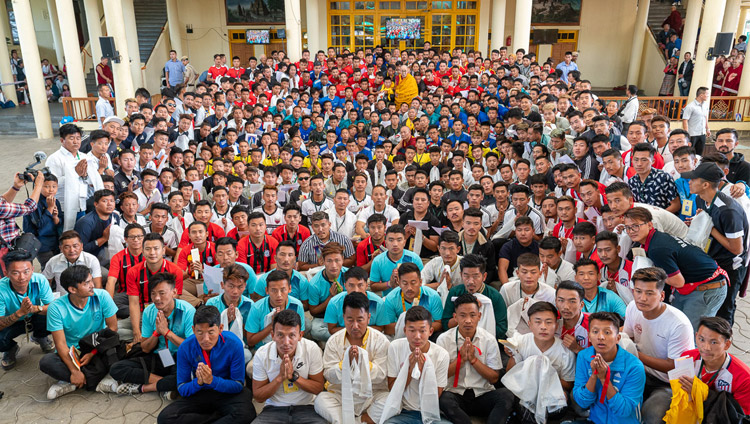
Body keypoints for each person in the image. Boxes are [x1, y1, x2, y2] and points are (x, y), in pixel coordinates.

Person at [623, 207, 728, 329]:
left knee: (691, 335)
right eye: (628, 227)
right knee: (674, 326)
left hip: (708, 288)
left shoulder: (657, 248)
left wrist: (652, 273)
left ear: (650, 224)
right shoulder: (655, 238)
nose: (631, 231)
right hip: (693, 285)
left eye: (636, 226)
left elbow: (678, 281)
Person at [157, 305, 256, 424]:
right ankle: (218, 417)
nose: (206, 339)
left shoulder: (234, 344)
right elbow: (182, 388)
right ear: (193, 330)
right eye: (199, 332)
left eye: (211, 332)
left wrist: (212, 380)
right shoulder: (186, 347)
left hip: (226, 392)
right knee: (165, 418)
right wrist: (199, 382)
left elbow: (238, 385)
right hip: (201, 392)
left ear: (220, 328)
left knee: (247, 413)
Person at [623, 267, 695, 424]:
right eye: (638, 291)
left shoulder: (678, 324)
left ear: (662, 295)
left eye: (649, 293)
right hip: (638, 372)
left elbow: (674, 366)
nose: (642, 298)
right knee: (614, 403)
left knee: (652, 415)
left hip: (667, 382)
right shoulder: (632, 307)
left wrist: (635, 354)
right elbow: (627, 336)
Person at [107, 272, 195, 397]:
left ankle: (144, 387)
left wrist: (167, 332)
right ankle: (166, 385)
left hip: (180, 357)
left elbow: (191, 347)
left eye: (162, 293)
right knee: (116, 369)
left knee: (189, 376)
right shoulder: (149, 311)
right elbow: (145, 347)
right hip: (159, 356)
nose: (157, 298)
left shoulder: (188, 311)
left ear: (174, 292)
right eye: (153, 294)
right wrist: (157, 333)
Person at [683, 162, 748, 325]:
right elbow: (708, 221)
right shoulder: (701, 199)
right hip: (713, 260)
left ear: (705, 184)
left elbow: (736, 248)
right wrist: (700, 221)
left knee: (724, 310)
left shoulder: (728, 210)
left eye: (693, 179)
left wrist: (710, 228)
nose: (689, 182)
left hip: (730, 266)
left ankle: (723, 344)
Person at [40, 265, 118, 399]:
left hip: (97, 346)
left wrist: (93, 352)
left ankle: (74, 382)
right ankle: (90, 379)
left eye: (91, 280)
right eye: (87, 283)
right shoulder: (56, 308)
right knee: (46, 362)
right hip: (73, 353)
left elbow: (112, 329)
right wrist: (74, 370)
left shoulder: (102, 296)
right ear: (72, 289)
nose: (92, 285)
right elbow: (60, 344)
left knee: (116, 346)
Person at [315, 292, 391, 424]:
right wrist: (346, 363)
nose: (355, 326)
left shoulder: (381, 340)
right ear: (343, 318)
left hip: (371, 395)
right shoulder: (334, 340)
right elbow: (328, 375)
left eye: (360, 320)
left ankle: (358, 420)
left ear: (368, 318)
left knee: (390, 400)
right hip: (342, 394)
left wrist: (362, 363)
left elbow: (382, 375)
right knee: (321, 400)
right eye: (350, 320)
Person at [498, 301, 576, 423]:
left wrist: (544, 378)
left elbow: (568, 383)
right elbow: (510, 373)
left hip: (552, 390)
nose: (543, 327)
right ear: (530, 324)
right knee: (521, 404)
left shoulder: (565, 351)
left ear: (556, 325)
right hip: (525, 388)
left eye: (549, 322)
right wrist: (514, 354)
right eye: (538, 322)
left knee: (560, 405)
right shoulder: (521, 342)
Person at [437, 293, 507, 424]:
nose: (468, 320)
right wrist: (461, 360)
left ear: (479, 316)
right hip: (455, 395)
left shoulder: (489, 339)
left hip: (482, 394)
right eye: (462, 315)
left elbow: (494, 378)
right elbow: (440, 376)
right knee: (443, 399)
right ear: (455, 317)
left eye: (472, 315)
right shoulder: (444, 339)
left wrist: (474, 360)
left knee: (506, 396)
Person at [252, 309, 327, 424]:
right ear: (273, 335)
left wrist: (294, 377)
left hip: (307, 407)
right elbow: (258, 397)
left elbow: (318, 388)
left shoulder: (311, 349)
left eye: (292, 335)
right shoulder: (262, 354)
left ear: (300, 335)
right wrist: (280, 378)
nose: (286, 342)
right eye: (280, 335)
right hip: (273, 409)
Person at [572, 312, 646, 424]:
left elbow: (624, 410)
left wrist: (604, 379)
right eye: (595, 332)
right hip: (596, 421)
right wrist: (594, 376)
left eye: (607, 332)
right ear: (589, 337)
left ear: (618, 338)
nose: (600, 337)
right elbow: (582, 402)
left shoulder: (634, 367)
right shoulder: (584, 357)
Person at [381, 306, 451, 424]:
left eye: (422, 331)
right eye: (412, 330)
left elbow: (436, 395)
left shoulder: (441, 354)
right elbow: (392, 388)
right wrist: (409, 370)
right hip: (404, 412)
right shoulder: (395, 347)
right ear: (405, 330)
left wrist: (425, 371)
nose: (417, 336)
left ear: (430, 331)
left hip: (430, 412)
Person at [680, 316, 750, 414]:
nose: (706, 347)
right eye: (701, 339)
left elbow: (741, 417)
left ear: (727, 345)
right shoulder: (686, 357)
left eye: (714, 342)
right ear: (696, 336)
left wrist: (704, 394)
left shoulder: (744, 378)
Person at [0, 250, 55, 370]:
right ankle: (10, 348)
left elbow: (53, 308)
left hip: (35, 315)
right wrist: (20, 312)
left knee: (55, 317)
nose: (22, 277)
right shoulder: (1, 289)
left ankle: (40, 336)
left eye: (26, 271)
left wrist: (35, 308)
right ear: (6, 273)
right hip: (14, 321)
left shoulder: (39, 280)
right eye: (15, 273)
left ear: (32, 270)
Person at [126, 233, 184, 342]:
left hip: (167, 313)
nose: (152, 253)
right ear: (142, 251)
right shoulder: (133, 272)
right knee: (117, 330)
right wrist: (136, 332)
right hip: (144, 313)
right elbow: (133, 303)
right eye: (148, 249)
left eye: (156, 248)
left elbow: (176, 301)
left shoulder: (175, 271)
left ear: (163, 251)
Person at [45, 123, 103, 231]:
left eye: (78, 138)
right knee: (65, 235)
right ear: (62, 140)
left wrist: (85, 175)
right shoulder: (54, 159)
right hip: (62, 206)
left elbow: (91, 181)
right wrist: (75, 174)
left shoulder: (84, 157)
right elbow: (51, 185)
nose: (76, 141)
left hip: (81, 203)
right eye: (71, 138)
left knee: (79, 234)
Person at [441, 254, 508, 339]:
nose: (471, 281)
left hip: (486, 340)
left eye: (476, 276)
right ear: (461, 275)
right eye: (466, 276)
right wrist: (463, 314)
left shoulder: (495, 296)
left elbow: (501, 328)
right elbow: (446, 324)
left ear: (484, 276)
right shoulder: (455, 292)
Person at [0, 167, 45, 275]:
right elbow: (30, 207)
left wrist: (15, 187)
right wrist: (38, 185)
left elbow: (3, 201)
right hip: (6, 255)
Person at [245, 269, 306, 349]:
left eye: (283, 289)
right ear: (267, 290)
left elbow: (300, 333)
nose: (279, 295)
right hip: (263, 350)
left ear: (289, 289)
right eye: (274, 290)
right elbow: (250, 341)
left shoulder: (297, 305)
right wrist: (272, 324)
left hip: (290, 348)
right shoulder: (257, 308)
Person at [383, 262, 443, 337]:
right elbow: (387, 328)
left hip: (425, 333)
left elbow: (439, 324)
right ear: (399, 282)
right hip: (402, 333)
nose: (409, 288)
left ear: (420, 282)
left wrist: (418, 327)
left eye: (413, 283)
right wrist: (410, 328)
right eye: (405, 283)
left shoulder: (432, 296)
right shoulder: (391, 298)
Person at [324, 267, 387, 334]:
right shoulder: (334, 303)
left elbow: (381, 327)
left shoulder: (377, 303)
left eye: (360, 285)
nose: (356, 290)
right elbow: (332, 329)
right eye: (351, 285)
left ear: (366, 285)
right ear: (345, 286)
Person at [307, 242, 348, 341]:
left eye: (337, 260)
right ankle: (346, 337)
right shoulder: (315, 284)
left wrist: (343, 296)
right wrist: (331, 298)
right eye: (329, 261)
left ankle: (346, 335)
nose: (333, 265)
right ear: (323, 261)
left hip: (347, 314)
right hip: (324, 316)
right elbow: (313, 311)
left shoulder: (349, 275)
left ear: (342, 260)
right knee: (316, 330)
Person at [22, 173, 63, 270]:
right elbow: (40, 226)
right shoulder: (33, 203)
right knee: (48, 268)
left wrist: (55, 218)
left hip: (54, 241)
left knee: (58, 268)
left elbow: (59, 222)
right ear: (39, 187)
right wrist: (49, 209)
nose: (51, 190)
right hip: (41, 243)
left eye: (54, 186)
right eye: (46, 186)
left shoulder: (55, 201)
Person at [369, 224, 423, 293]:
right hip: (388, 300)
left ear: (404, 242)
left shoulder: (414, 258)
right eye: (391, 240)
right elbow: (373, 286)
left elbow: (422, 282)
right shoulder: (378, 261)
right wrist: (389, 284)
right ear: (386, 242)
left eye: (399, 240)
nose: (395, 244)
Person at [628, 143, 680, 212]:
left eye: (644, 160)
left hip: (664, 219)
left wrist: (658, 216)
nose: (639, 164)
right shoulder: (632, 181)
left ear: (652, 161)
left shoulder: (663, 177)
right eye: (636, 160)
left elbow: (676, 205)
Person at [681, 86, 709, 155]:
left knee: (699, 154)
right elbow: (685, 120)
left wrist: (707, 128)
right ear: (701, 95)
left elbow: (705, 117)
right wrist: (686, 134)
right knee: (690, 153)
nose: (708, 96)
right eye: (707, 94)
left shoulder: (705, 105)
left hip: (702, 133)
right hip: (692, 134)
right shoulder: (690, 106)